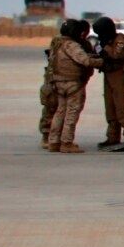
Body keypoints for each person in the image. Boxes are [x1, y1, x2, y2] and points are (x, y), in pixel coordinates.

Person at [44, 18, 104, 154]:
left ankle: (53, 142)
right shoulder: (71, 45)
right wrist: (102, 62)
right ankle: (66, 143)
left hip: (58, 83)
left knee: (60, 111)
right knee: (72, 112)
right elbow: (85, 60)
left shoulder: (57, 43)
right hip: (72, 84)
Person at [92, 17, 124, 148]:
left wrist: (105, 46)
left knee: (121, 108)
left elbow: (117, 55)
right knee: (110, 108)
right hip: (109, 76)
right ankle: (112, 137)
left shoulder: (120, 41)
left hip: (121, 77)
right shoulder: (106, 41)